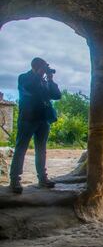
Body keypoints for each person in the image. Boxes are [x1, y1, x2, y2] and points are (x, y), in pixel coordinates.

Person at [9, 57, 62, 194]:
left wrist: (50, 79)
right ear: (36, 66)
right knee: (21, 148)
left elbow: (57, 95)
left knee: (41, 150)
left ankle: (42, 179)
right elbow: (29, 88)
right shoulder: (24, 78)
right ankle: (15, 180)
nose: (45, 69)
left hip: (43, 120)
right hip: (27, 119)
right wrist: (38, 74)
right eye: (44, 66)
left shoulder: (45, 82)